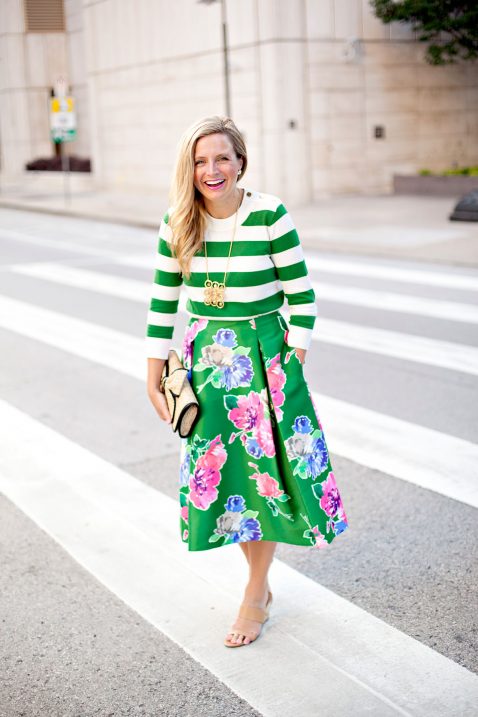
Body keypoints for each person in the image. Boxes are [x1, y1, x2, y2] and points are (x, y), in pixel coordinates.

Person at [145, 115, 349, 648]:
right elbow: (163, 302)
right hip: (208, 363)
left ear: (241, 163)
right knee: (226, 479)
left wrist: (292, 363)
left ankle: (255, 593)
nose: (211, 170)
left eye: (221, 158)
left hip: (267, 359)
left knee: (269, 478)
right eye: (200, 160)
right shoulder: (178, 222)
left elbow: (302, 298)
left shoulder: (270, 214)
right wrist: (152, 371)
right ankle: (258, 586)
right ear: (189, 169)